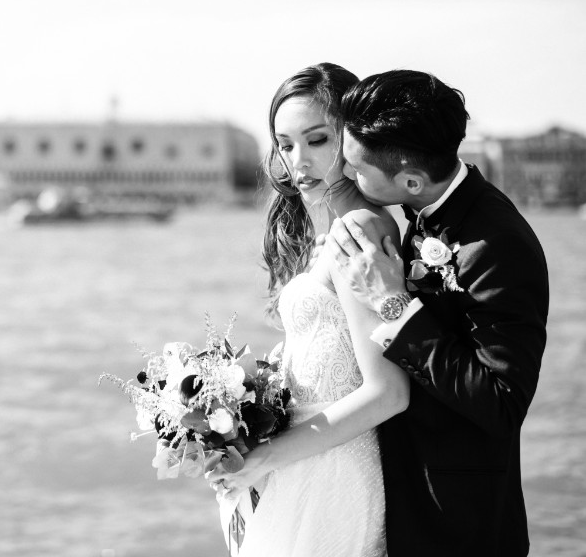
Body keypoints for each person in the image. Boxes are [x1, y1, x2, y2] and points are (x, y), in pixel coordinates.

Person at [326, 70, 549, 557]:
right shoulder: (428, 211)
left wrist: (393, 303)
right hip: (400, 503)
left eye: (357, 168)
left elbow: (502, 402)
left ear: (410, 178)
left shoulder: (498, 244)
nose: (344, 175)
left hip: (458, 524)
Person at [208, 63, 409, 557]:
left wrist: (265, 457)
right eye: (285, 144)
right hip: (305, 458)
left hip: (335, 467)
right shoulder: (328, 231)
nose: (298, 160)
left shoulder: (360, 229)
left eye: (317, 140)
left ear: (353, 138)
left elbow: (388, 393)